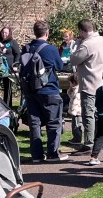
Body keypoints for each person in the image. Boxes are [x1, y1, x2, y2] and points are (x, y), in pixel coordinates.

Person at [21, 20, 70, 164]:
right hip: (48, 89)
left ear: (35, 32)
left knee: (34, 123)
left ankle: (36, 155)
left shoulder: (26, 48)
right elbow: (60, 66)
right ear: (47, 33)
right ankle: (52, 154)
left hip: (30, 90)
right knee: (53, 122)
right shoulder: (51, 49)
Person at [70, 19, 103, 150]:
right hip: (102, 81)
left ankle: (89, 143)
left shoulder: (87, 45)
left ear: (82, 31)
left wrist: (75, 46)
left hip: (89, 83)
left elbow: (74, 59)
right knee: (99, 113)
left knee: (88, 114)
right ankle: (99, 140)